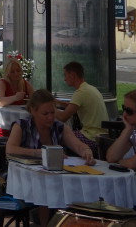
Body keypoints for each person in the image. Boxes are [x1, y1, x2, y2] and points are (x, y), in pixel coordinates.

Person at [9, 89, 97, 225]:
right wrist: (41, 152)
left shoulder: (59, 127)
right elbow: (10, 149)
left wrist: (86, 151)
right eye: (45, 113)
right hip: (24, 178)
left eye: (52, 112)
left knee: (71, 188)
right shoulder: (22, 126)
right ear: (33, 110)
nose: (50, 117)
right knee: (46, 189)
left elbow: (77, 144)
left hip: (53, 179)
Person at [55, 61, 106, 152]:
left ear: (72, 75)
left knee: (58, 136)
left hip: (91, 137)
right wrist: (56, 102)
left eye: (65, 75)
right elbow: (73, 106)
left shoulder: (80, 93)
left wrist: (45, 106)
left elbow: (63, 117)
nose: (64, 79)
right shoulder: (90, 88)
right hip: (102, 136)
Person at [0, 56, 35, 137]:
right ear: (7, 73)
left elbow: (36, 98)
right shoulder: (2, 83)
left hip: (22, 127)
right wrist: (15, 97)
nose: (16, 73)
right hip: (4, 127)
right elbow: (0, 102)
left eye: (18, 70)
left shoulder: (24, 83)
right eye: (12, 72)